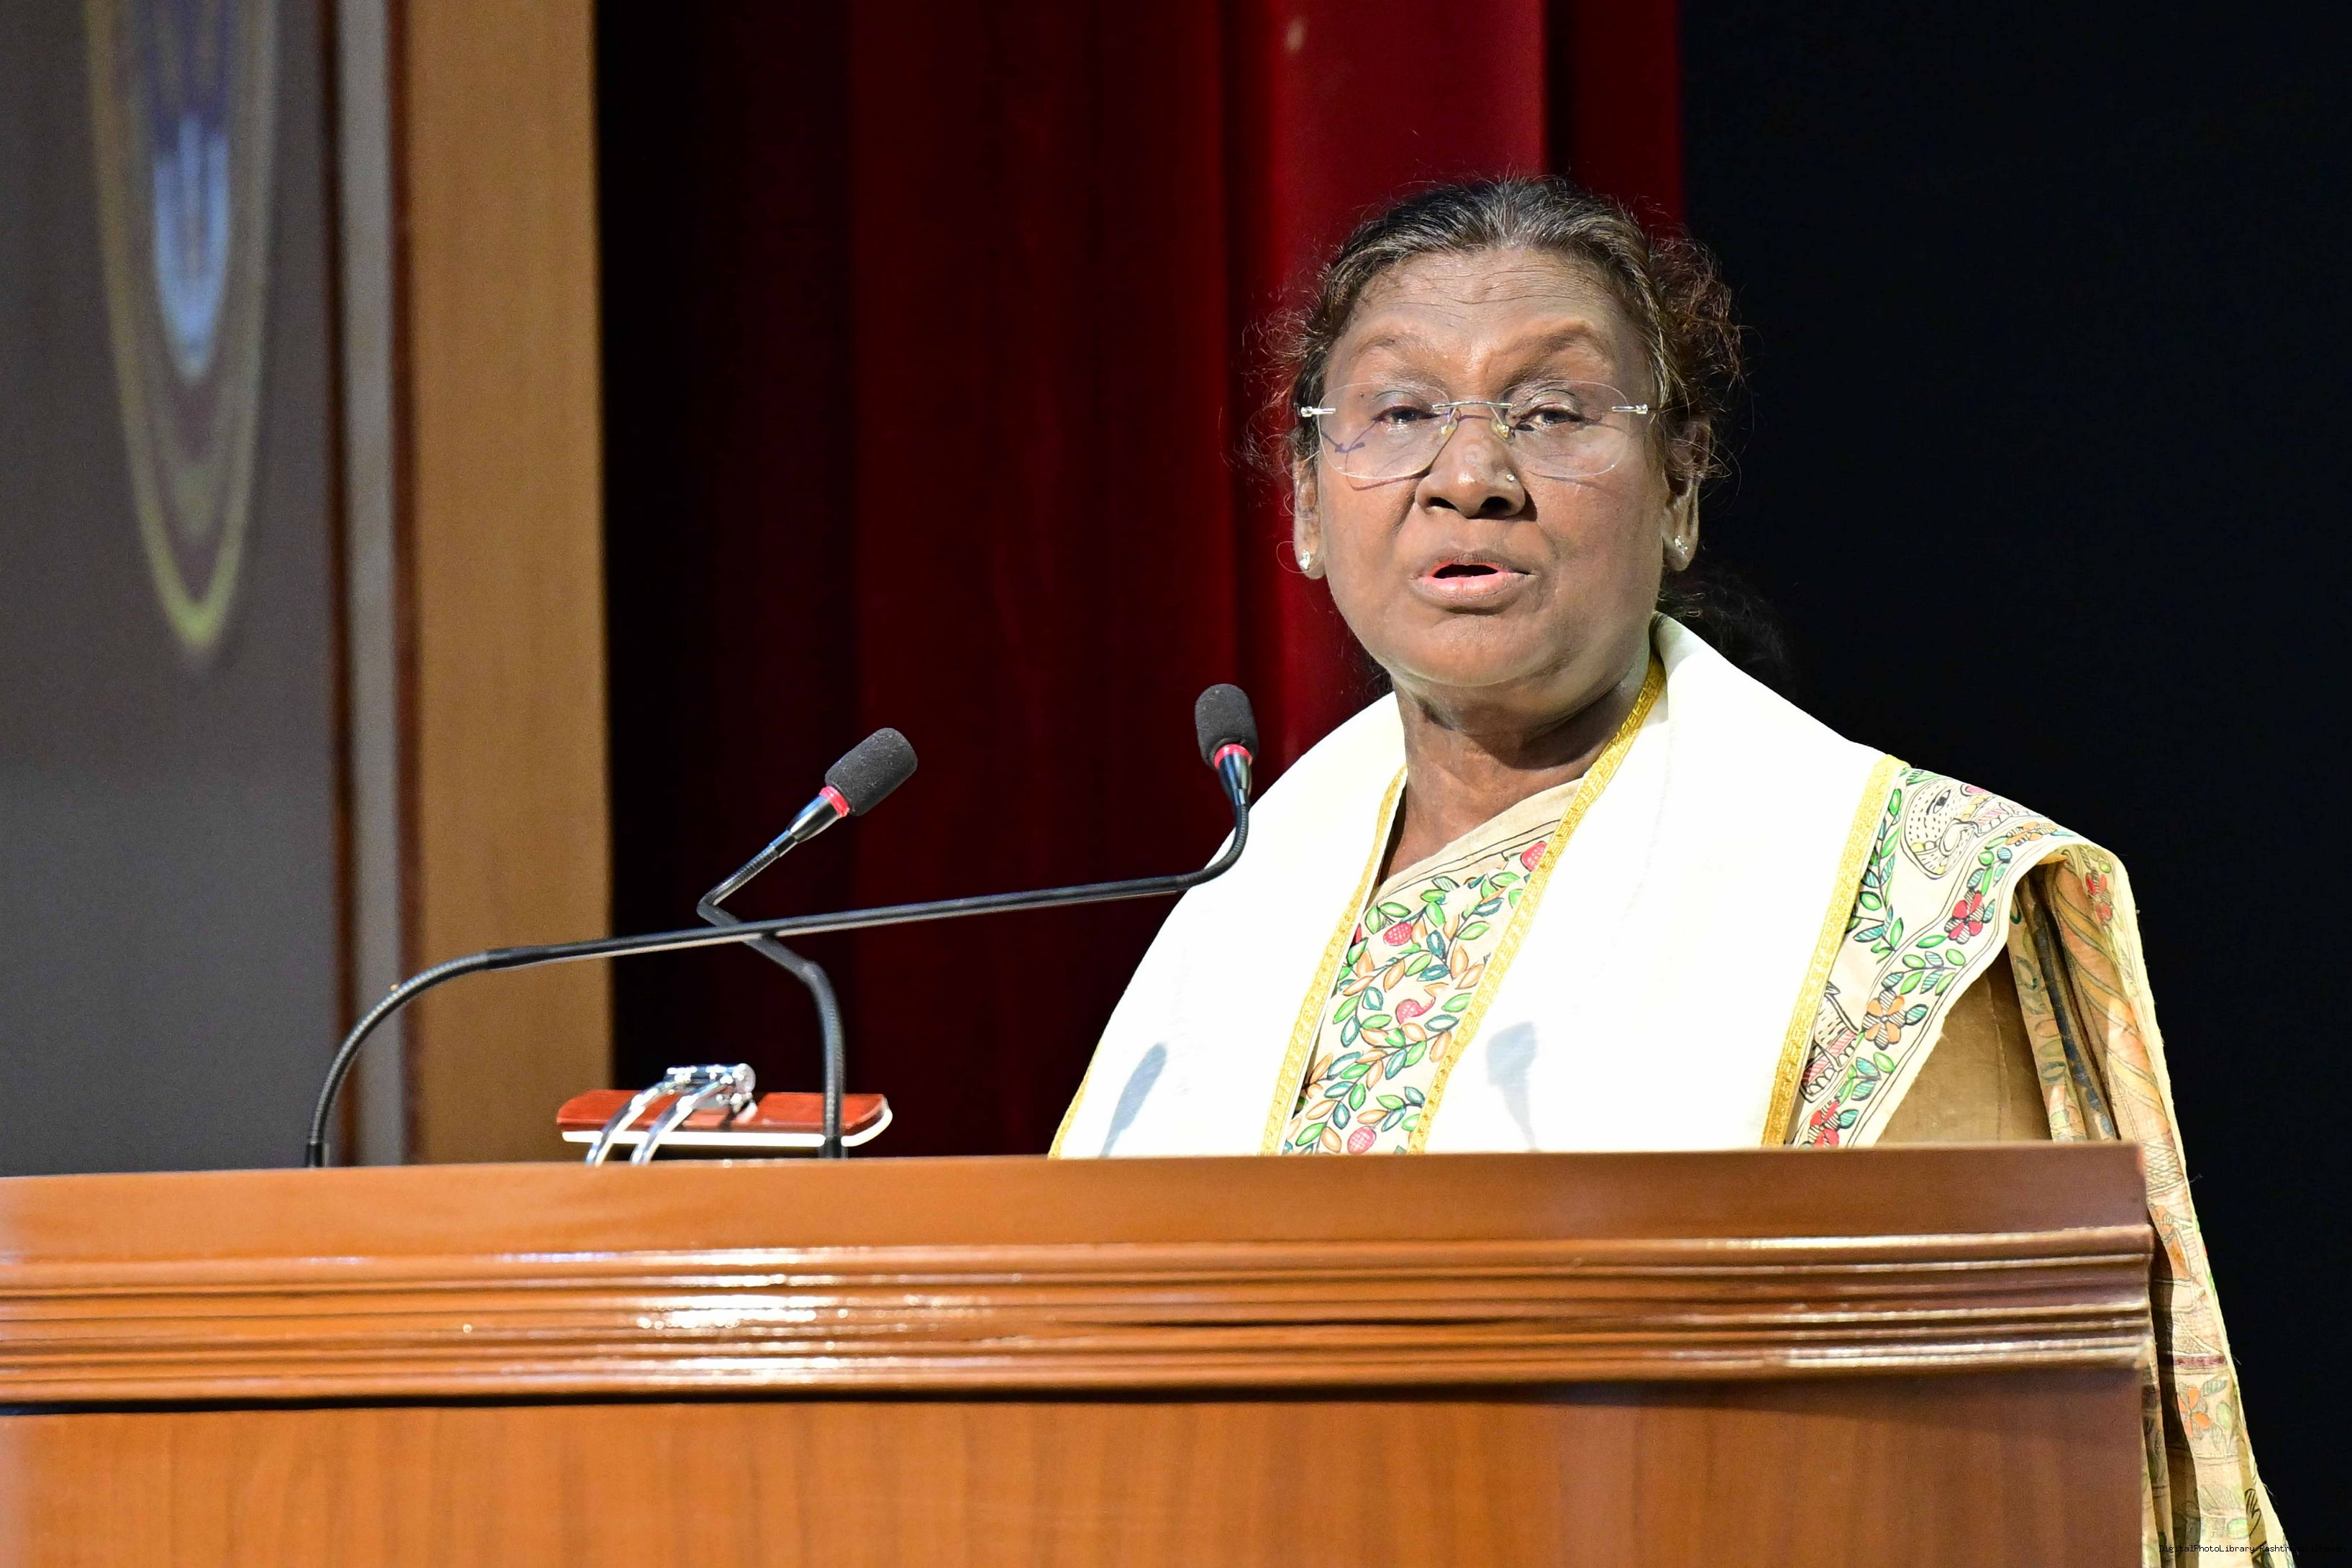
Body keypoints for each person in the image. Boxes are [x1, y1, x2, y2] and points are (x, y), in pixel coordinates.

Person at [1051, 177, 2286, 1563]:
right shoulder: (1245, 900)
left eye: (1553, 412)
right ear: (1301, 500)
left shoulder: (1898, 894)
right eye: (1399, 413)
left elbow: (1968, 1476)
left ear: (1680, 488)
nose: (1471, 475)